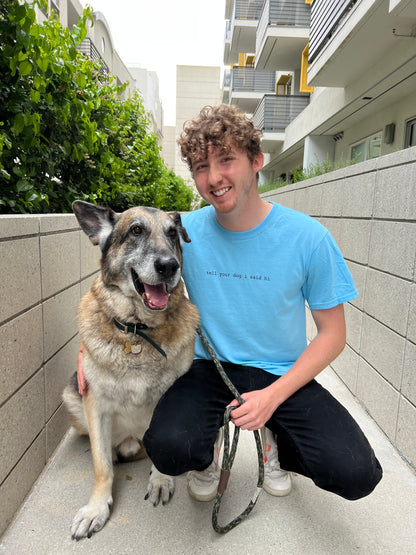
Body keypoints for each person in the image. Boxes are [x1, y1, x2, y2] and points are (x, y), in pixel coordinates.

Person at [142, 104, 382, 502]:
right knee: (169, 448)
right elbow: (136, 284)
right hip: (210, 368)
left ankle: (278, 446)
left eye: (226, 160)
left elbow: (333, 335)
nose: (213, 178)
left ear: (256, 161)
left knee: (357, 473)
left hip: (280, 371)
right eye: (201, 166)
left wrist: (273, 397)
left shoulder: (309, 238)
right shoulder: (183, 233)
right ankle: (207, 453)